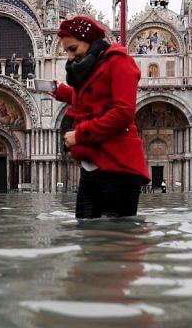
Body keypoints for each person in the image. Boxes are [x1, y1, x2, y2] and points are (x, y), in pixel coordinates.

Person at [51, 15, 150, 218]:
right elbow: (94, 99)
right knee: (86, 229)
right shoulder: (92, 66)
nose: (70, 57)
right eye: (66, 51)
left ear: (89, 41)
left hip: (119, 164)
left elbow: (122, 113)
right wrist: (61, 91)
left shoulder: (120, 62)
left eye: (73, 49)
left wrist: (79, 135)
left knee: (116, 236)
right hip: (93, 161)